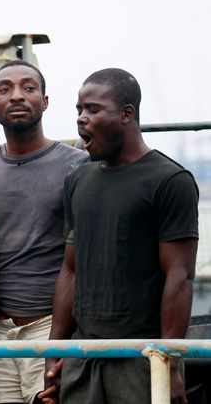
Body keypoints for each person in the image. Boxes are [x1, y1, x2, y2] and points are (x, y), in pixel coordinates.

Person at [41, 68, 199, 404]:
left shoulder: (170, 181)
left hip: (142, 357)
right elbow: (70, 270)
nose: (81, 119)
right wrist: (55, 349)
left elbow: (179, 277)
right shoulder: (78, 180)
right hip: (83, 355)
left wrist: (169, 363)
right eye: (79, 110)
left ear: (126, 114)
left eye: (93, 109)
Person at [0, 61, 87, 404]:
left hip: (52, 328)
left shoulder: (77, 167)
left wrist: (61, 342)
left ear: (45, 101)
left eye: (29, 87)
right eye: (4, 89)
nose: (17, 96)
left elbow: (83, 261)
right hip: (0, 332)